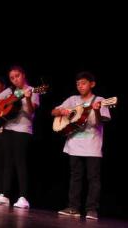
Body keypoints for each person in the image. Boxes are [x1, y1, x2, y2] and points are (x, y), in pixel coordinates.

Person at [52, 72, 111, 220]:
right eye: (78, 84)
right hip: (74, 144)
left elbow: (98, 122)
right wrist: (62, 110)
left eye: (83, 83)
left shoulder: (100, 100)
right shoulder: (73, 99)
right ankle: (73, 207)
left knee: (93, 178)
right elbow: (53, 111)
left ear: (92, 84)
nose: (80, 86)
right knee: (75, 177)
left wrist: (96, 110)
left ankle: (92, 209)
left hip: (92, 145)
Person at [0, 66, 40, 209]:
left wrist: (28, 99)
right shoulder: (10, 90)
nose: (15, 79)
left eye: (17, 76)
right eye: (12, 77)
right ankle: (5, 196)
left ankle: (23, 197)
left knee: (20, 162)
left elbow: (30, 112)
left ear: (23, 75)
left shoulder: (32, 90)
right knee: (7, 162)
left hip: (23, 129)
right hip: (8, 128)